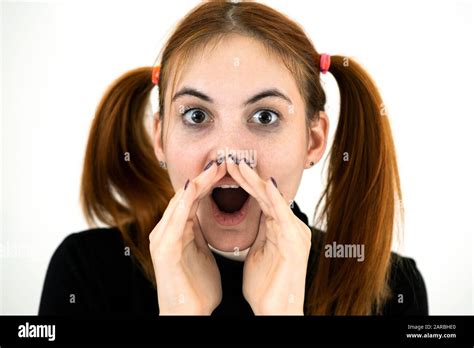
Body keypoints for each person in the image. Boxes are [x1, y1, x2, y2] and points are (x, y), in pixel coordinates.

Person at [39, 0, 428, 316]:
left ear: (313, 140)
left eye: (264, 117)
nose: (229, 153)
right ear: (159, 137)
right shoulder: (87, 272)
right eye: (196, 115)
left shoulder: (394, 291)